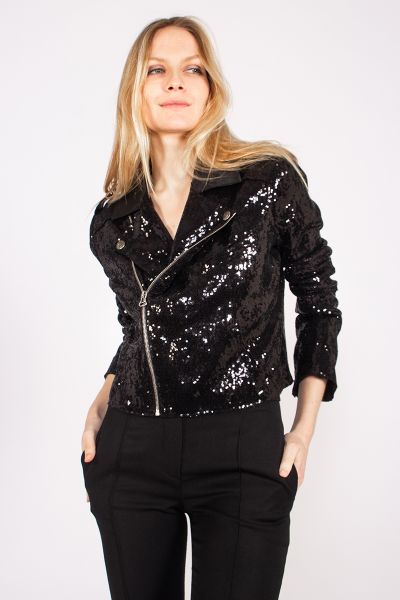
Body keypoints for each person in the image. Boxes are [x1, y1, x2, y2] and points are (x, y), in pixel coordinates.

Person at [80, 15, 342, 600]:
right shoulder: (113, 217)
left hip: (242, 442)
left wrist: (302, 431)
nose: (176, 81)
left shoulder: (267, 182)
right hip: (132, 444)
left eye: (192, 69)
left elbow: (318, 299)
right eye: (158, 69)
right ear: (135, 90)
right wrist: (101, 398)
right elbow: (136, 326)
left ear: (211, 88)